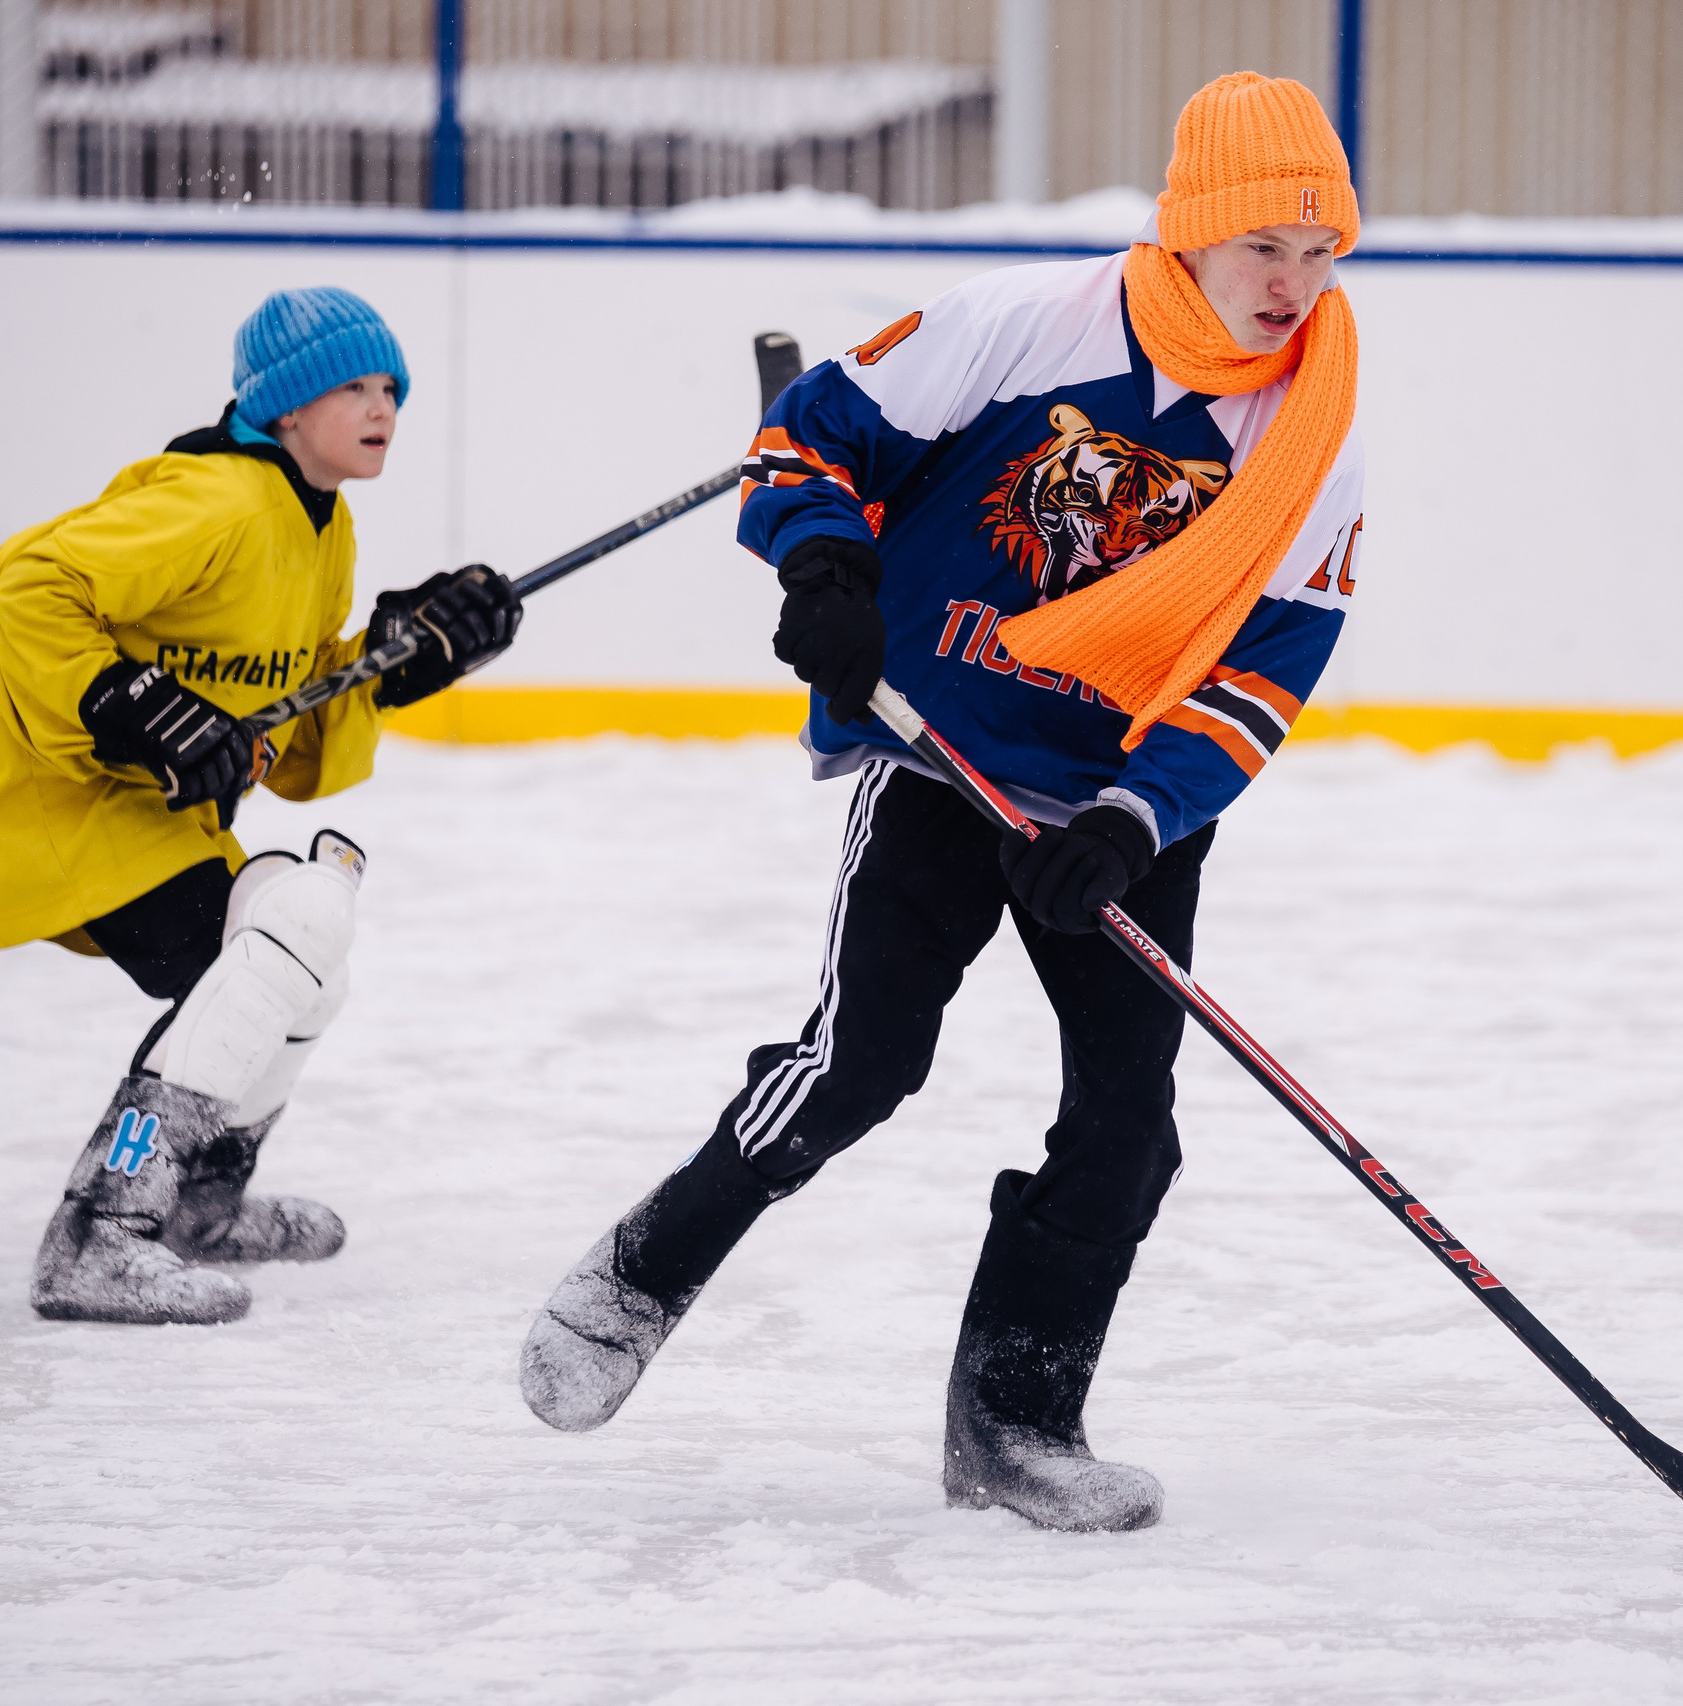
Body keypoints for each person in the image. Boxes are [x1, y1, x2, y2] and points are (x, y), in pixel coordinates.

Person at [516, 74, 1368, 1531]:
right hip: (937, 749)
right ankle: (643, 1265)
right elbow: (809, 435)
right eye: (1262, 250)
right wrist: (827, 568)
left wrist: (1131, 819)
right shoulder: (1028, 322)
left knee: (1128, 1124)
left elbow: (1266, 667)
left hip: (1114, 806)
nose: (1291, 286)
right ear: (1192, 236)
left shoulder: (1318, 423)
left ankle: (1018, 1424)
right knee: (864, 1062)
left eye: (1319, 254)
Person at [0, 286, 523, 1326]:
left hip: (154, 810)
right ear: (286, 406)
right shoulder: (215, 497)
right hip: (68, 791)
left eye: (390, 385)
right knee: (271, 940)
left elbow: (288, 744)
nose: (380, 403)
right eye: (351, 383)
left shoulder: (322, 528)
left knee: (309, 965)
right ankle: (99, 1232)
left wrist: (388, 667)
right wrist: (126, 702)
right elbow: (22, 583)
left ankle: (198, 1207)